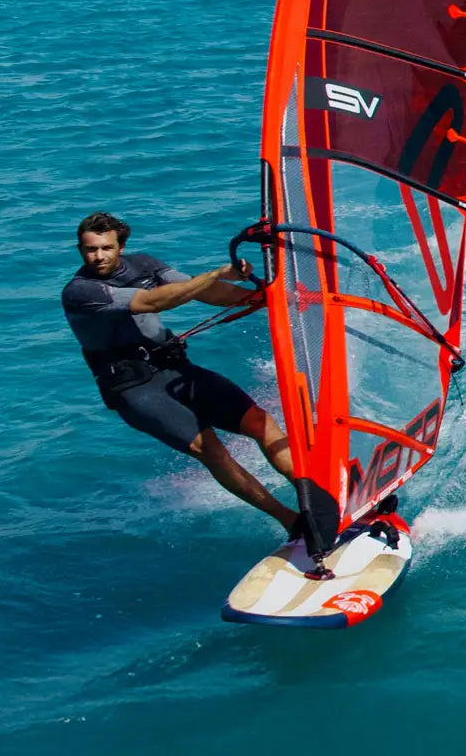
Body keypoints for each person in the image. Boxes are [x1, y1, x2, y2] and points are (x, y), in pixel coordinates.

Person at [62, 211, 298, 534]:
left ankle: (314, 497)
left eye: (106, 247)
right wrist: (216, 272)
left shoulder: (144, 264)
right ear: (80, 250)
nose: (99, 256)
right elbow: (151, 302)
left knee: (259, 421)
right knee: (211, 449)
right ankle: (290, 520)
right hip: (135, 389)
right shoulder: (81, 291)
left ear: (121, 246)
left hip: (173, 368)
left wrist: (257, 298)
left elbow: (201, 292)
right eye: (91, 249)